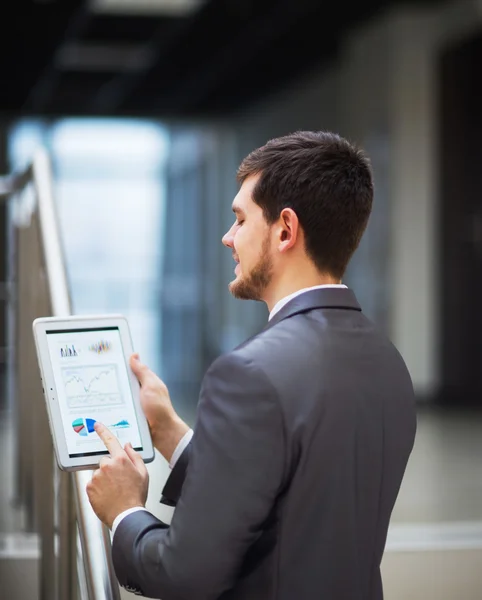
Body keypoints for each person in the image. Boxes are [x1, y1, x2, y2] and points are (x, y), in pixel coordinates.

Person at [87, 131, 417, 600]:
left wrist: (124, 511)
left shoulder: (247, 374)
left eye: (240, 219)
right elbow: (294, 500)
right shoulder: (389, 364)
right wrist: (171, 434)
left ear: (285, 230)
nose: (228, 238)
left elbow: (185, 574)